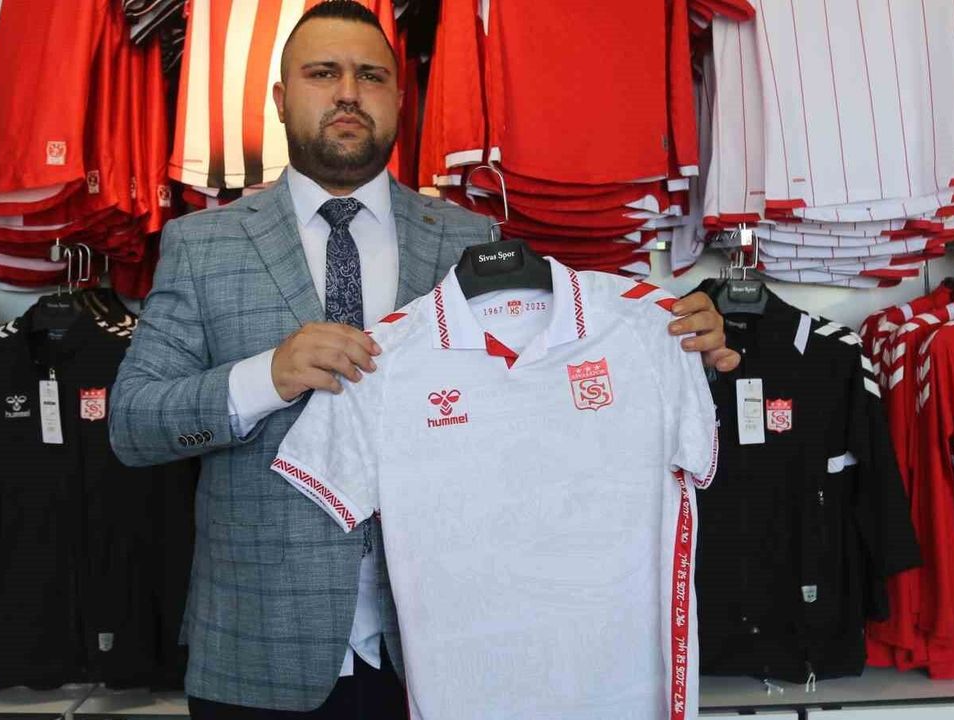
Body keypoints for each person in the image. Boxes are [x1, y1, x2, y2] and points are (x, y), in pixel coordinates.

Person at [109, 2, 741, 717]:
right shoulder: (203, 245)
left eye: (371, 76)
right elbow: (132, 425)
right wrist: (266, 378)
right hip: (261, 647)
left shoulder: (471, 239)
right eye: (323, 73)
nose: (349, 93)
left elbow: (546, 395)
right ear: (282, 99)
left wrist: (676, 343)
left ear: (400, 99)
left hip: (453, 654)